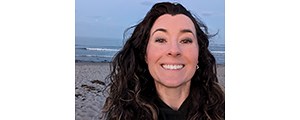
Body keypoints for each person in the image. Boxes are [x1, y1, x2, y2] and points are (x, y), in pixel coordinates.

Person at [102, 2, 224, 120]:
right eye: (161, 40)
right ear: (145, 54)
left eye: (186, 40)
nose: (174, 50)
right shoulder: (122, 115)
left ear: (199, 54)